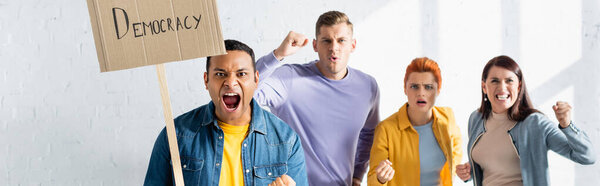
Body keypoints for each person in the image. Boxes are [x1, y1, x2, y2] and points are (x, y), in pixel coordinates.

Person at [144, 40, 307, 186]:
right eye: (220, 74)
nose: (230, 82)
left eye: (241, 74)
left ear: (256, 80)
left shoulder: (287, 140)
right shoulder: (176, 135)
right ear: (206, 80)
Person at [253, 11, 380, 185]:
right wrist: (278, 54)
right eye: (326, 40)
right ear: (315, 45)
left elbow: (369, 133)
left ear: (353, 45)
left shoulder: (367, 86)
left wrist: (357, 175)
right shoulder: (289, 80)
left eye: (341, 40)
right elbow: (245, 92)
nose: (334, 47)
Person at [455, 55, 596, 186]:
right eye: (494, 81)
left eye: (509, 80)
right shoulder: (476, 119)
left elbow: (587, 157)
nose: (502, 88)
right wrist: (469, 172)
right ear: (484, 87)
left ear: (519, 86)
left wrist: (567, 125)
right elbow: (494, 165)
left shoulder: (535, 123)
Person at [367, 57, 463, 186]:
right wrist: (380, 179)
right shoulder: (386, 129)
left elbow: (456, 153)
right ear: (405, 89)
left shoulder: (447, 117)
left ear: (438, 90)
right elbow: (373, 179)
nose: (421, 93)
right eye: (414, 87)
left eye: (428, 87)